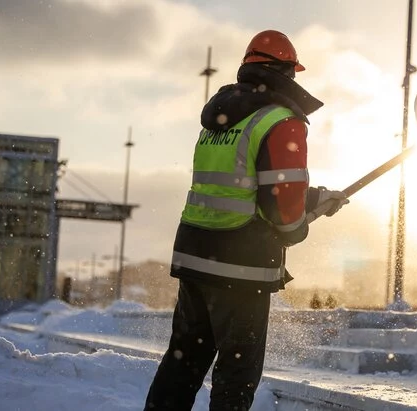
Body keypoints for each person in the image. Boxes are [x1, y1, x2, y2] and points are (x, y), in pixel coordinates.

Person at [144, 30, 348, 411]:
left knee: (183, 363)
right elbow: (279, 206)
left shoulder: (220, 118)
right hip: (240, 268)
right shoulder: (281, 120)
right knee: (236, 376)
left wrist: (317, 198)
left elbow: (243, 187)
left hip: (195, 256)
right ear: (284, 71)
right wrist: (297, 227)